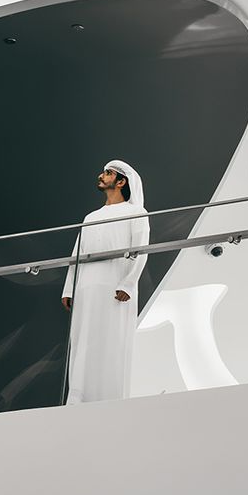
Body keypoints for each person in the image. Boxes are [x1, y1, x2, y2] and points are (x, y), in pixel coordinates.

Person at [61, 160, 149, 404]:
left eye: (108, 173)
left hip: (115, 287)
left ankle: (110, 398)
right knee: (82, 340)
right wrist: (69, 288)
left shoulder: (136, 213)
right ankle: (78, 395)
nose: (101, 176)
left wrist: (128, 284)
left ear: (121, 182)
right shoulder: (90, 217)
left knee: (112, 340)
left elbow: (140, 250)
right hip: (86, 287)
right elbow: (76, 255)